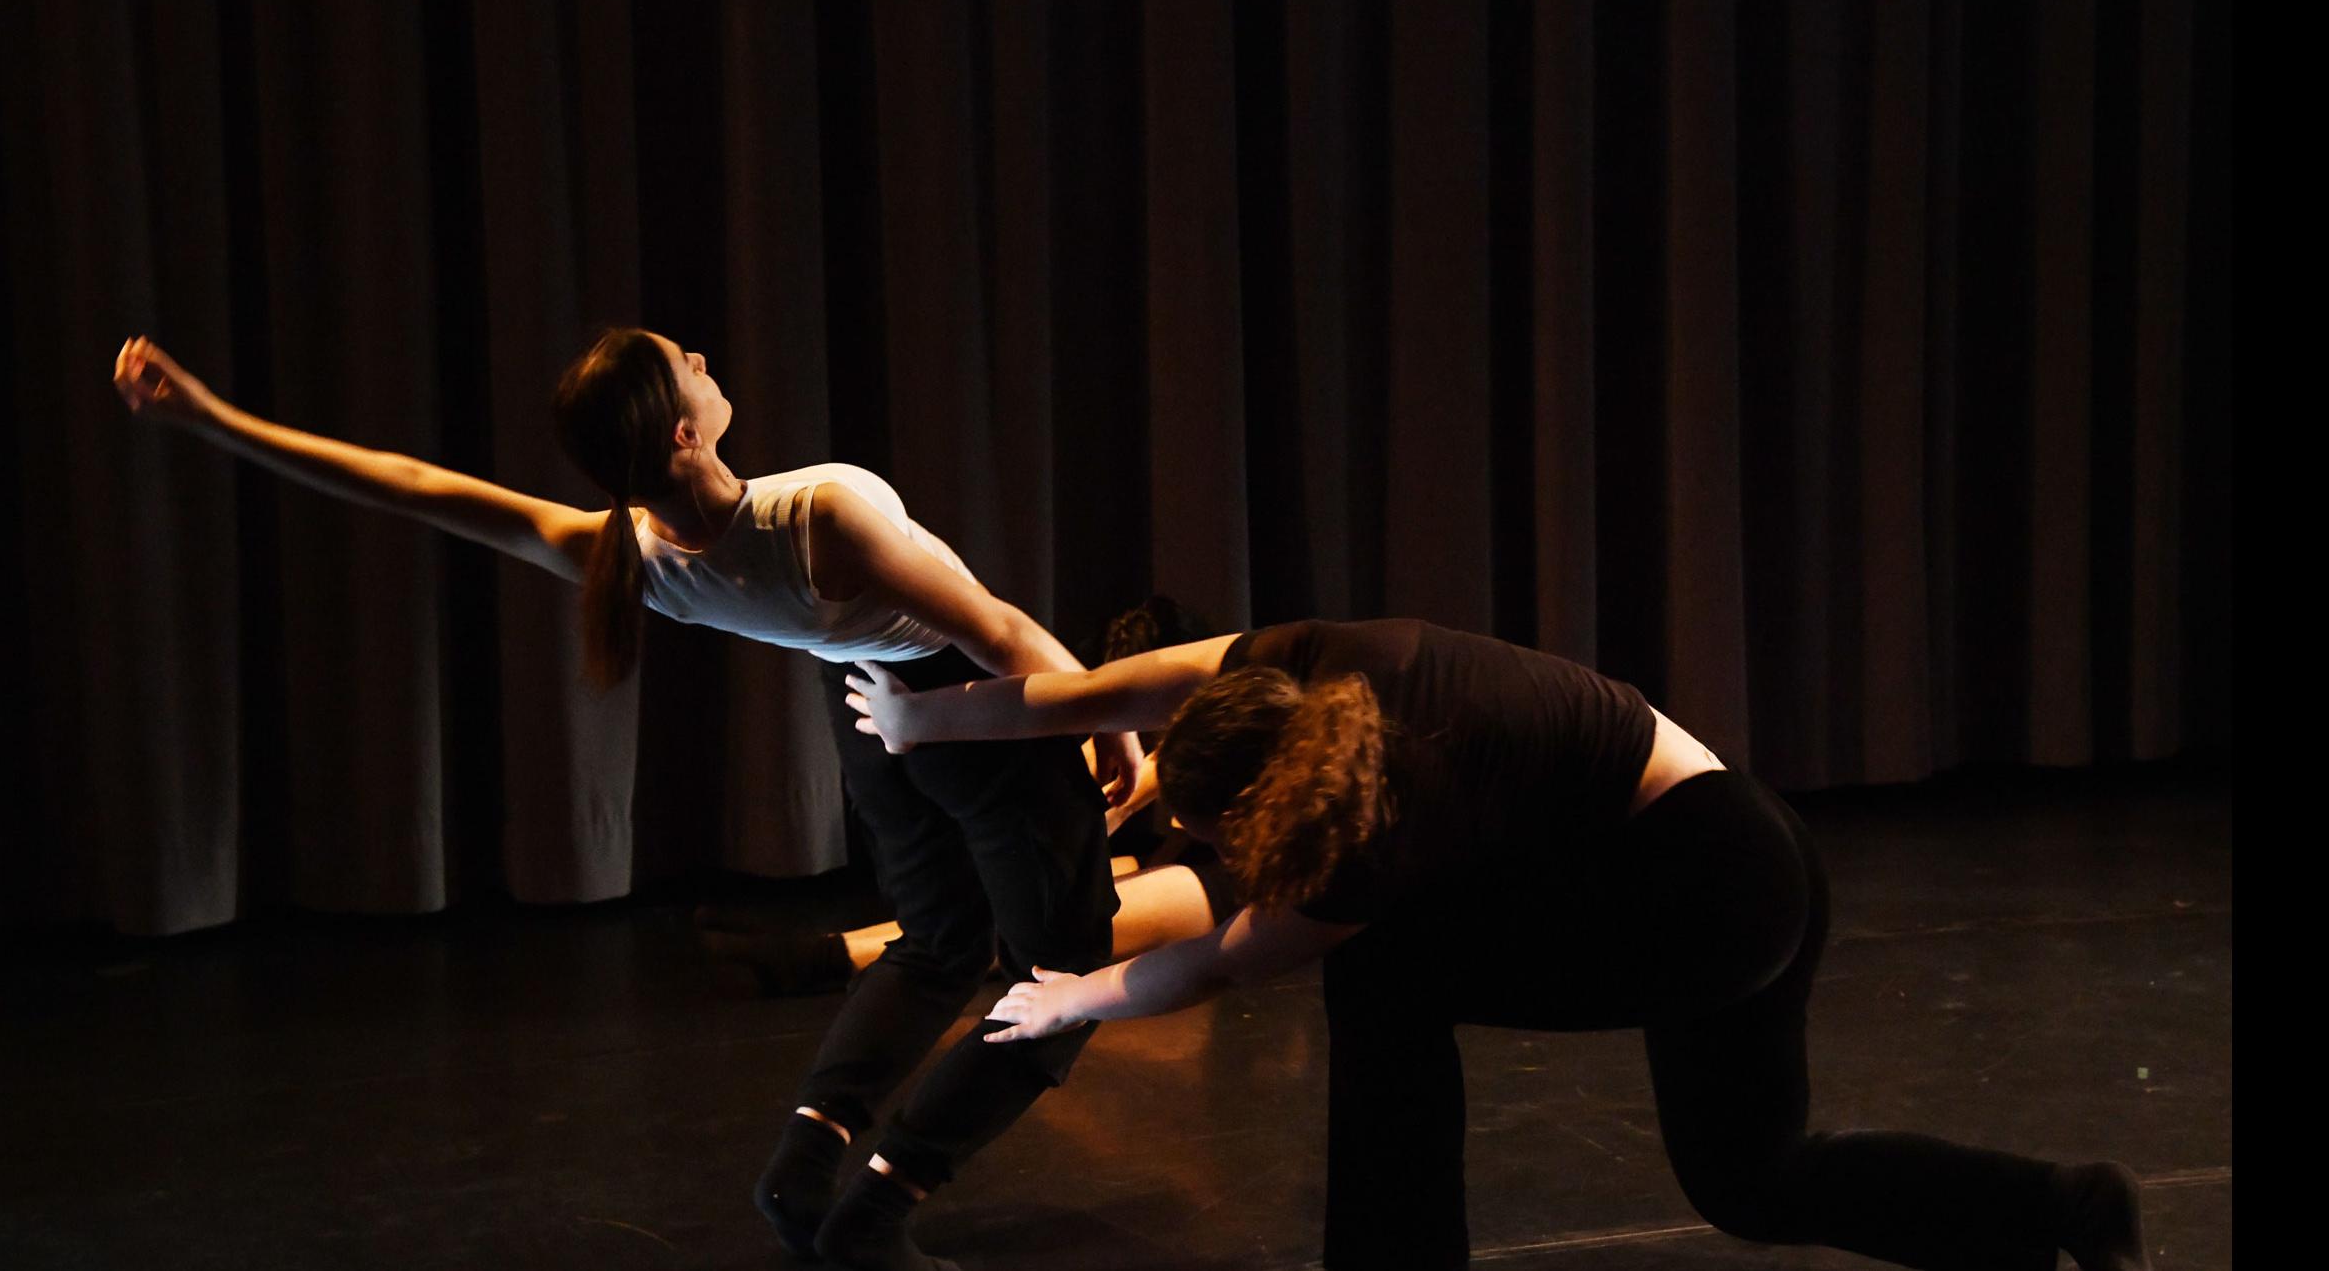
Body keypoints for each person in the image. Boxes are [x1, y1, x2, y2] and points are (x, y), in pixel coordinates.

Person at [110, 331, 1141, 1271]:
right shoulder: (816, 517)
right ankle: (884, 1199)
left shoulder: (631, 560)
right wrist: (1112, 720)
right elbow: (997, 631)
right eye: (685, 359)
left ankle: (805, 1162)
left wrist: (212, 418)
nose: (701, 352)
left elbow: (418, 487)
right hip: (972, 721)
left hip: (875, 724)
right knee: (1065, 969)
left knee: (936, 945)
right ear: (686, 429)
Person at [845, 616, 2153, 1271]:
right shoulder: (1304, 658)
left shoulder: (1386, 817)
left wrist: (1076, 995)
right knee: (1753, 1180)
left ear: (1275, 799)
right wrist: (924, 725)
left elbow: (1225, 958)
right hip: (1754, 850)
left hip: (1699, 897)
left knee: (1383, 973)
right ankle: (2059, 1207)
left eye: (1210, 826)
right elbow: (1086, 689)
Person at [696, 594, 1239, 996]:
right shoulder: (1164, 747)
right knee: (1077, 881)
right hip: (1187, 866)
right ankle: (825, 946)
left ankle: (817, 958)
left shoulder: (1211, 735)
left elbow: (1123, 806)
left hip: (1242, 889)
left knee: (1039, 925)